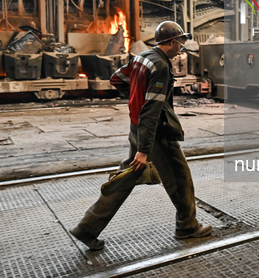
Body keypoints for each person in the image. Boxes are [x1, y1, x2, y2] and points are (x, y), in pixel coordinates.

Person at [69, 21, 213, 250]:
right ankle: (187, 226)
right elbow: (151, 110)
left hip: (136, 129)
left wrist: (136, 95)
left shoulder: (142, 56)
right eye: (181, 44)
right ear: (173, 42)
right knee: (180, 177)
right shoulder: (162, 66)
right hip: (154, 133)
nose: (181, 49)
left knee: (126, 178)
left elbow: (117, 78)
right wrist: (144, 150)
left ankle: (87, 228)